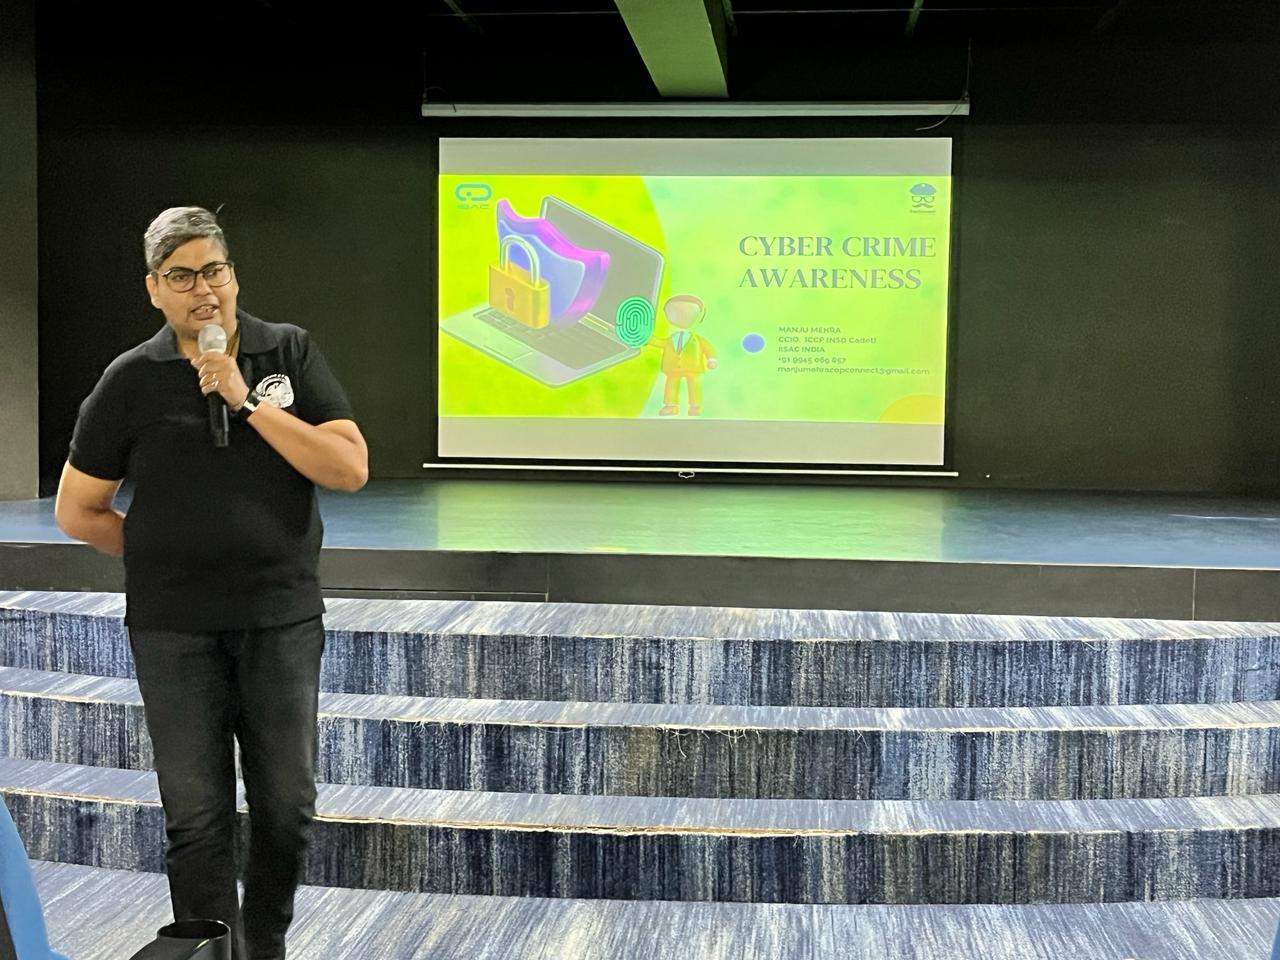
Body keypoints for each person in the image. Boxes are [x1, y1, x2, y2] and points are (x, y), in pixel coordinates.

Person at [54, 206, 368, 960]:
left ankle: (264, 945)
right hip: (174, 629)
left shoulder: (285, 351)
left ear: (233, 276)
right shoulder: (131, 379)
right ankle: (213, 955)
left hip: (280, 617)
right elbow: (77, 509)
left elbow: (348, 468)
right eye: (183, 276)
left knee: (287, 809)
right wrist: (160, 554)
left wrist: (244, 398)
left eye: (214, 271)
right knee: (196, 820)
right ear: (154, 289)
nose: (204, 289)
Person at [647, 294, 717, 416]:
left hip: (693, 367)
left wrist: (711, 359)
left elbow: (708, 348)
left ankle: (695, 406)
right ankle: (670, 406)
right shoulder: (671, 338)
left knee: (694, 385)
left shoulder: (697, 339)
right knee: (671, 385)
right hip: (673, 368)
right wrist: (646, 338)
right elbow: (660, 342)